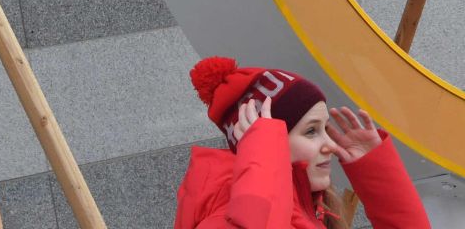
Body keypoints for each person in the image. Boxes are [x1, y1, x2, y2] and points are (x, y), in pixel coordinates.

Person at [174, 56, 430, 229]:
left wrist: (377, 176)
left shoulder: (312, 208)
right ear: (261, 145)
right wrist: (264, 159)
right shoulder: (222, 218)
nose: (330, 144)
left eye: (325, 128)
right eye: (311, 131)